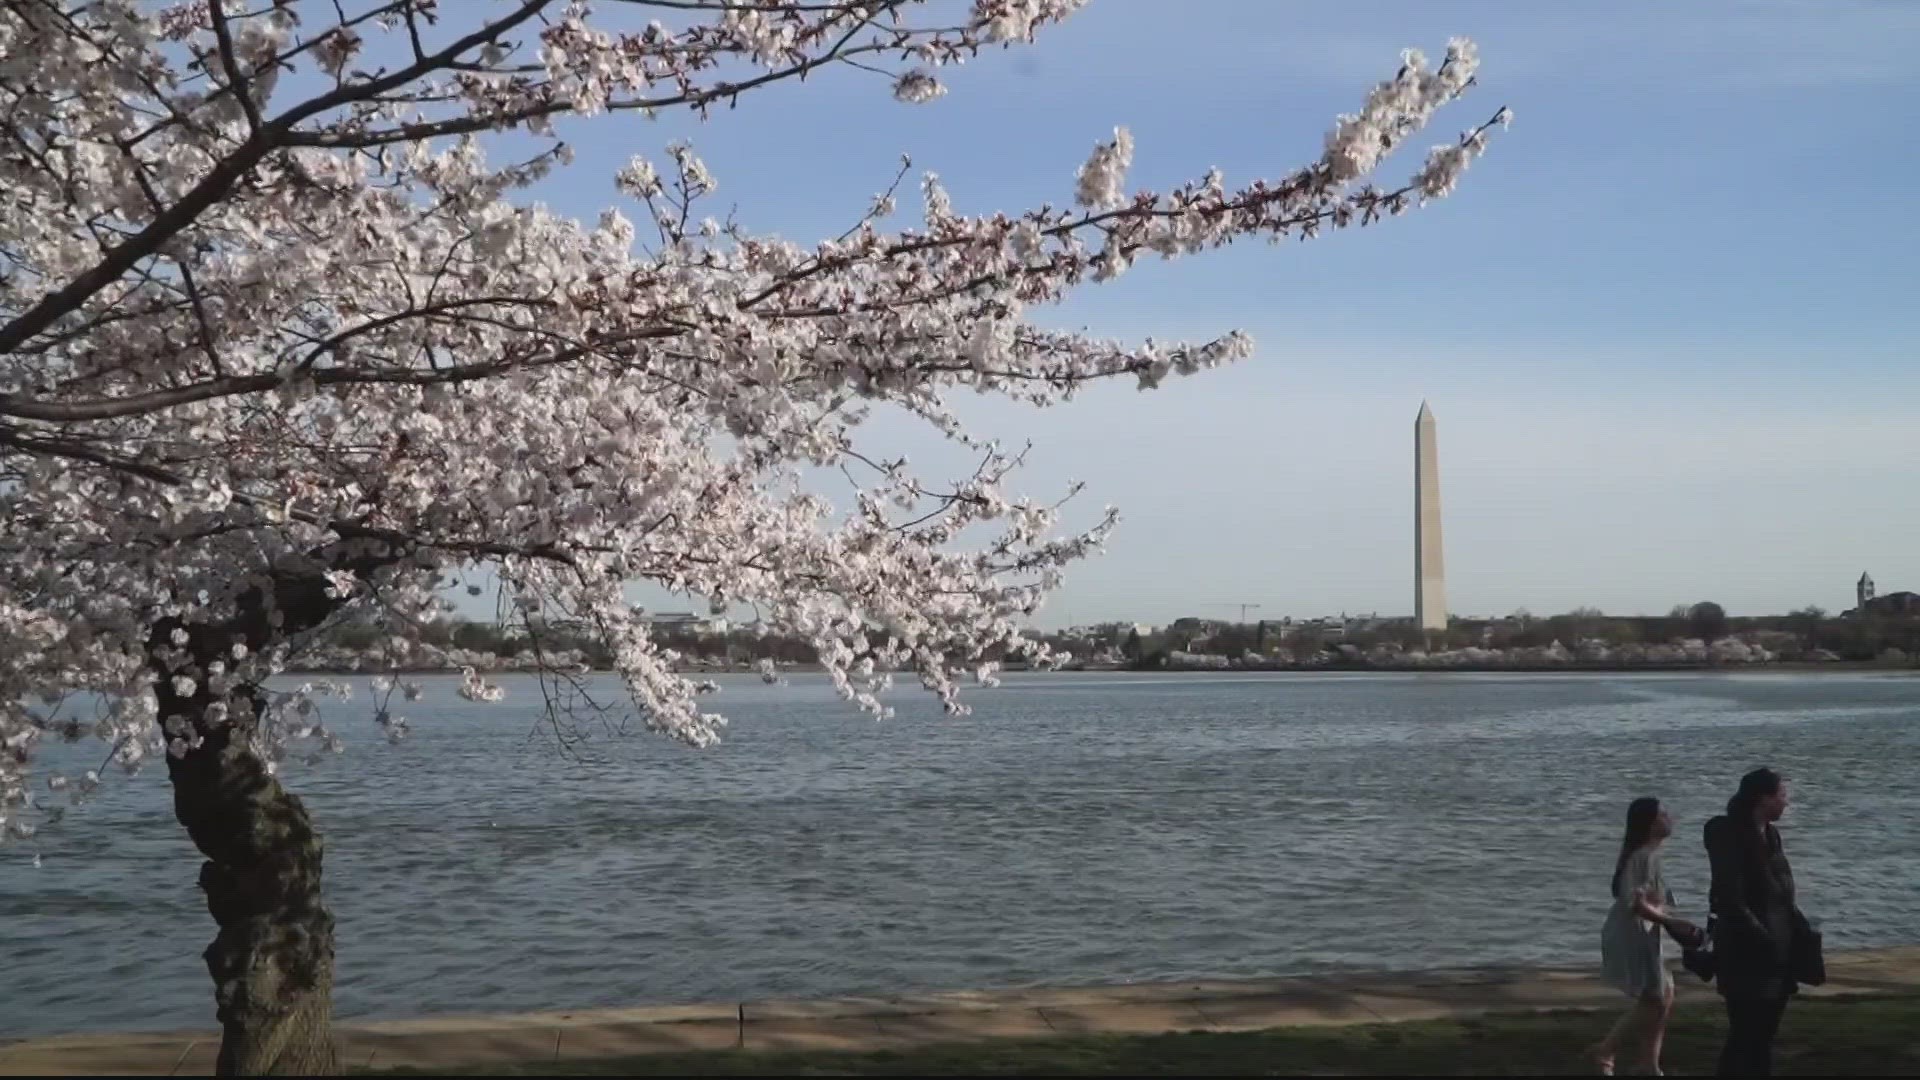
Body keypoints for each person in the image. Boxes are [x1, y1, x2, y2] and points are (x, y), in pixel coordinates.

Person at [1704, 767, 1801, 1077]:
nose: (1786, 803)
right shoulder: (1725, 832)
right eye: (1782, 796)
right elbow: (1730, 897)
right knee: (1746, 1034)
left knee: (1764, 1036)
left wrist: (1799, 935)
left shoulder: (1771, 835)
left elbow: (1781, 894)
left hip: (1779, 953)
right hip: (1746, 952)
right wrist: (1764, 939)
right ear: (1763, 798)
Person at [1593, 797, 1694, 1076]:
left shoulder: (1650, 856)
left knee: (1665, 994)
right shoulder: (1642, 858)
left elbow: (1650, 902)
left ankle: (1649, 1063)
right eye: (1663, 814)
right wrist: (1672, 921)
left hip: (1646, 934)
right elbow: (1636, 905)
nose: (1669, 817)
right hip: (1632, 933)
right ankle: (1607, 1049)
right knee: (1655, 998)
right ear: (1650, 824)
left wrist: (1669, 922)